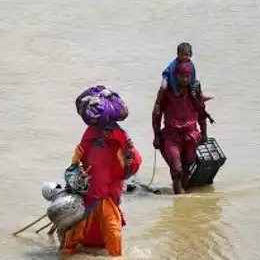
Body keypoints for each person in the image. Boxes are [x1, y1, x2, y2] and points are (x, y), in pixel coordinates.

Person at [60, 122, 142, 257]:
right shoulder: (89, 139)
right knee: (73, 235)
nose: (106, 133)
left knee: (113, 233)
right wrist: (75, 161)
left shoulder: (121, 143)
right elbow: (73, 173)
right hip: (88, 197)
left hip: (107, 198)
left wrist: (129, 158)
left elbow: (128, 170)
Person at [152, 61, 212, 194]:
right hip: (171, 135)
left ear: (191, 76)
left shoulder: (194, 90)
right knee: (176, 168)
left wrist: (204, 132)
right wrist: (156, 135)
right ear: (175, 76)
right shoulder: (167, 91)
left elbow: (201, 112)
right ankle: (178, 194)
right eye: (181, 76)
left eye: (187, 76)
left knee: (187, 166)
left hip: (190, 135)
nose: (184, 79)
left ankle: (182, 204)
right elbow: (156, 113)